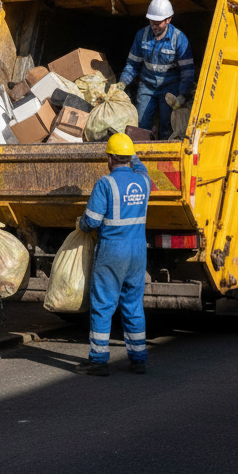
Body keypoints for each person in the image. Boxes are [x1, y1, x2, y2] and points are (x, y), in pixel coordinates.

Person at [74, 133, 151, 376]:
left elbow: (92, 221)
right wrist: (134, 154)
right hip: (138, 251)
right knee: (133, 304)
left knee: (103, 305)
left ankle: (98, 360)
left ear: (109, 158)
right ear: (129, 157)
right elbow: (141, 168)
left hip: (113, 251)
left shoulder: (105, 184)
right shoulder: (144, 181)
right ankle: (138, 359)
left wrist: (81, 224)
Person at [119, 0, 195, 137]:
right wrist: (122, 83)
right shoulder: (141, 35)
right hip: (147, 86)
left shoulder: (179, 38)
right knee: (141, 124)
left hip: (170, 87)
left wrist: (183, 94)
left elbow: (187, 71)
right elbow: (132, 64)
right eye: (152, 22)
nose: (154, 26)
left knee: (168, 126)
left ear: (168, 19)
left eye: (158, 23)